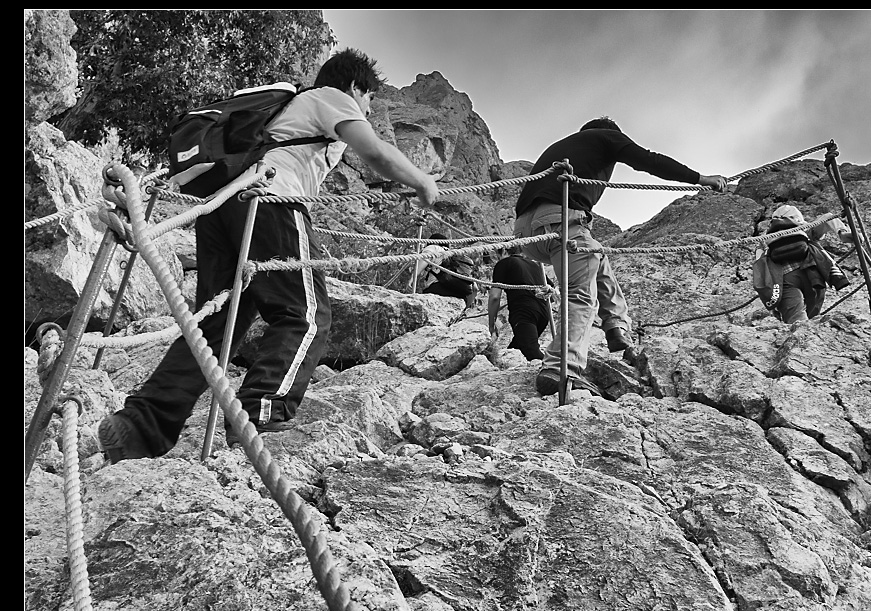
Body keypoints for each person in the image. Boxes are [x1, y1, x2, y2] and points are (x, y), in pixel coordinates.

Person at [98, 47, 440, 461]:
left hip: (223, 207)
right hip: (270, 201)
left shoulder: (293, 110)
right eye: (368, 98)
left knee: (215, 326)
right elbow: (376, 152)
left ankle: (138, 427)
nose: (367, 109)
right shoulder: (331, 97)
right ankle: (260, 412)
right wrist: (423, 181)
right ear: (355, 87)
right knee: (305, 315)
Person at [513, 116, 728, 396]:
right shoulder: (605, 136)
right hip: (561, 219)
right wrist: (701, 179)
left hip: (526, 233)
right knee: (579, 294)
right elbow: (649, 160)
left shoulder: (563, 145)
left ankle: (616, 327)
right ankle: (559, 367)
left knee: (595, 254)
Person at [752, 204, 850, 324]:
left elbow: (760, 268)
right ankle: (811, 329)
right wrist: (842, 232)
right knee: (812, 316)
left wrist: (771, 298)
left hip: (785, 280)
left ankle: (801, 330)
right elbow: (828, 217)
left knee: (796, 320)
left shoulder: (765, 238)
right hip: (811, 274)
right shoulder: (803, 228)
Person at [487, 246, 554, 361]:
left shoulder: (504, 263)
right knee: (516, 350)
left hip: (523, 312)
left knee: (531, 351)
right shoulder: (536, 265)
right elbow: (552, 293)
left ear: (504, 251)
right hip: (543, 314)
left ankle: (554, 368)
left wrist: (491, 326)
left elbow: (494, 297)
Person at [414, 232, 476, 307]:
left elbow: (425, 260)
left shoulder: (434, 247)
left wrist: (412, 278)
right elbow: (475, 288)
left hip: (437, 289)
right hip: (459, 292)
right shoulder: (454, 254)